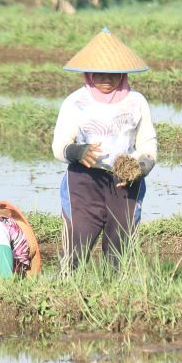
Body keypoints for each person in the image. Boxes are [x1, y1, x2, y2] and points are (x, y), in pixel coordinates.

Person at [52, 28, 157, 270]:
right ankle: (65, 295)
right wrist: (78, 152)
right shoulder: (75, 102)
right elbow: (60, 146)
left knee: (117, 256)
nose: (106, 79)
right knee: (74, 252)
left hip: (125, 182)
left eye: (113, 73)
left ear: (123, 73)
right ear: (88, 72)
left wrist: (142, 166)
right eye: (99, 73)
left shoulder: (136, 102)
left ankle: (112, 300)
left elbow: (147, 143)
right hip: (84, 183)